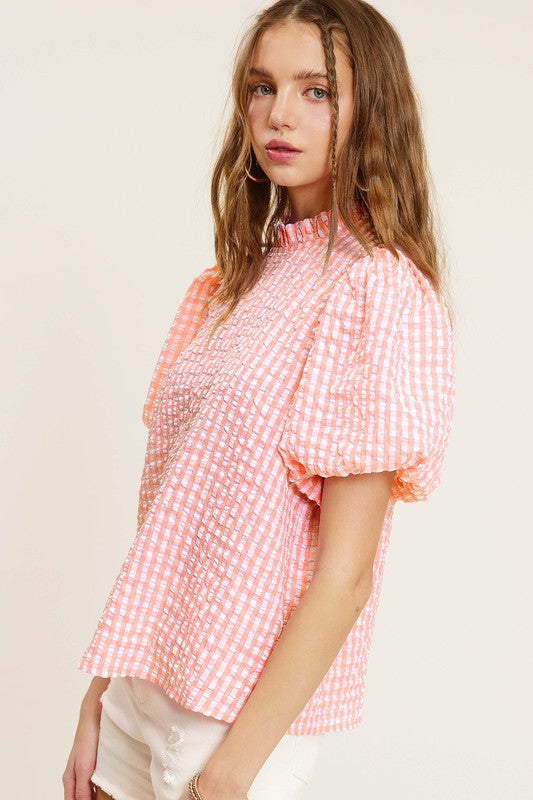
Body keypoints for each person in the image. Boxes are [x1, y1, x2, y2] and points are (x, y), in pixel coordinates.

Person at [63, 1, 456, 798]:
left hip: (233, 727)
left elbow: (344, 576)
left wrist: (231, 773)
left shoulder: (373, 291)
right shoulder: (228, 285)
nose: (278, 114)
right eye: (260, 86)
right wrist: (99, 694)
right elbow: (172, 521)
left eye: (316, 91)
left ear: (370, 110)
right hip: (138, 696)